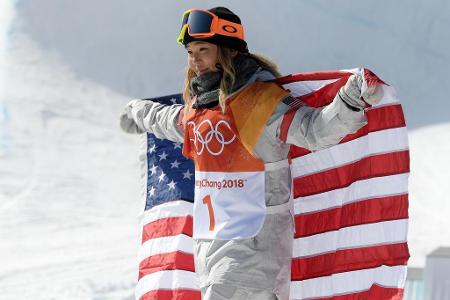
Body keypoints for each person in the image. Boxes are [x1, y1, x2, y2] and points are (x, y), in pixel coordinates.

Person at [120, 7, 382, 300]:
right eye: (191, 52)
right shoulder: (201, 109)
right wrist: (138, 112)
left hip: (255, 253)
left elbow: (313, 131)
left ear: (228, 51)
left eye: (203, 49)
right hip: (212, 252)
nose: (195, 60)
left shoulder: (258, 103)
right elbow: (170, 120)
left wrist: (349, 100)